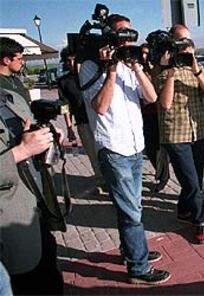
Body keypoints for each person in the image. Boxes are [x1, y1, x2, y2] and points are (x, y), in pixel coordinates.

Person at [78, 14, 170, 285]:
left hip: (135, 146)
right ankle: (138, 268)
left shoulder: (132, 65)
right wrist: (112, 70)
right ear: (108, 36)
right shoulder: (90, 66)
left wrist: (137, 67)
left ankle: (131, 249)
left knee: (131, 206)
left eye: (130, 33)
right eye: (122, 33)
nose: (127, 38)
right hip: (113, 148)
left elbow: (152, 97)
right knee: (131, 211)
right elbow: (101, 106)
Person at [0, 37, 63, 294]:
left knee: (47, 271)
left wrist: (43, 134)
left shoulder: (9, 91)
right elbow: (16, 149)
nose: (22, 62)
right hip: (10, 219)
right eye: (18, 57)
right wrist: (22, 150)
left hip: (33, 203)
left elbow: (20, 130)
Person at [155, 24, 204, 244]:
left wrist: (195, 67)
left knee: (195, 179)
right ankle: (200, 221)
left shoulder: (195, 66)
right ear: (173, 43)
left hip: (198, 130)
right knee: (191, 182)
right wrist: (170, 72)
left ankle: (183, 210)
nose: (187, 45)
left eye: (189, 41)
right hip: (176, 134)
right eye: (182, 41)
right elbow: (165, 102)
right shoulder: (162, 69)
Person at [57, 47, 107, 194]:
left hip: (100, 120)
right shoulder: (64, 82)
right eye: (68, 60)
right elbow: (66, 106)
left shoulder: (92, 75)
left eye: (74, 59)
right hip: (83, 122)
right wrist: (69, 128)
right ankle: (101, 181)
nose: (72, 63)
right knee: (92, 154)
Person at [138, 44, 170, 193]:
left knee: (159, 148)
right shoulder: (139, 70)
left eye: (147, 53)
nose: (144, 57)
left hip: (158, 113)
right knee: (151, 148)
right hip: (144, 114)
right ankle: (162, 173)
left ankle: (163, 176)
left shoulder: (156, 69)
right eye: (142, 54)